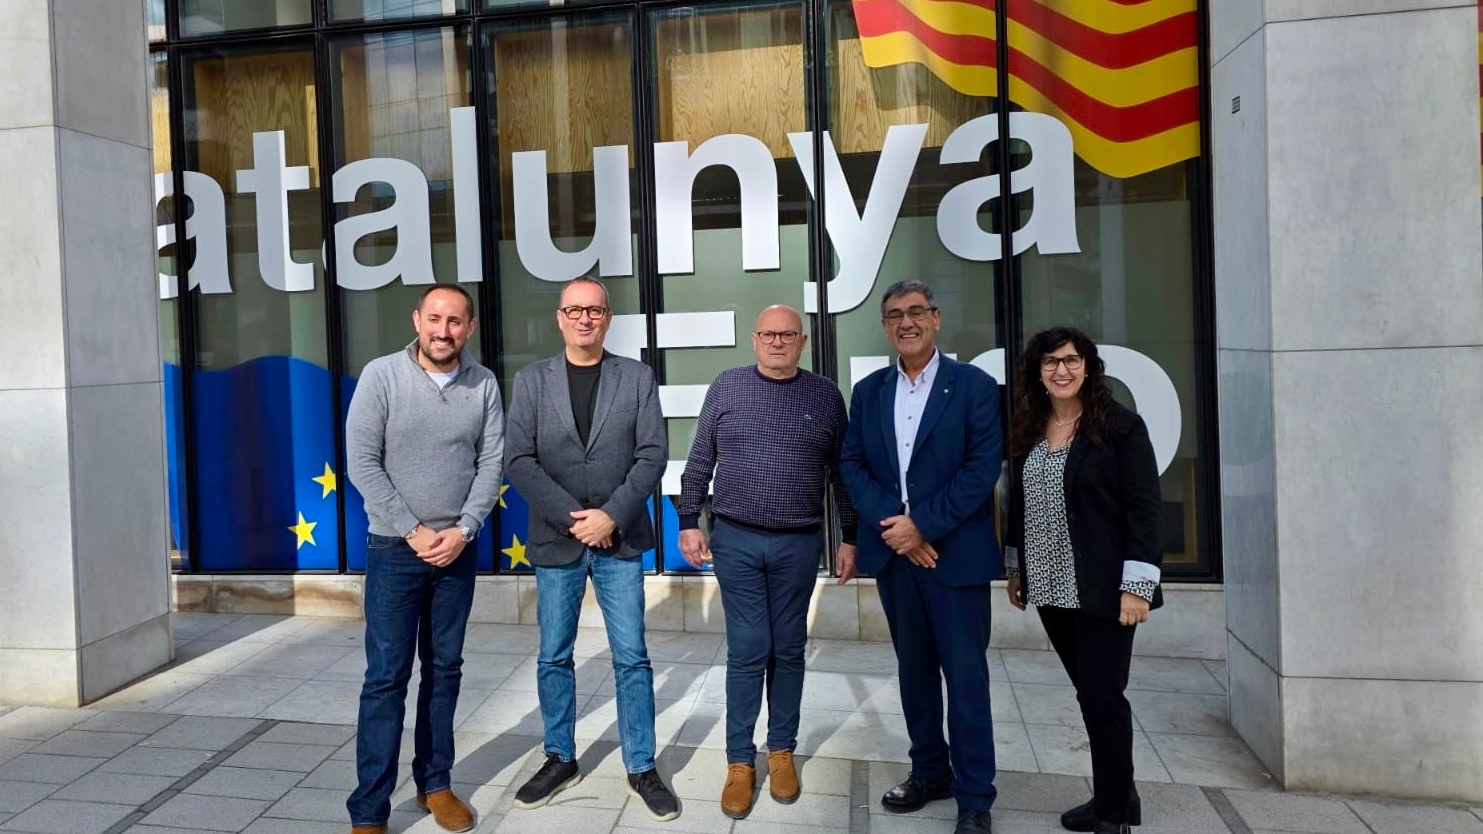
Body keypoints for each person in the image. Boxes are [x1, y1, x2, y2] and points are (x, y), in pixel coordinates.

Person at [502, 276, 680, 821]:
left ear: (608, 318)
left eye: (595, 310)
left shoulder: (637, 377)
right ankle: (560, 756)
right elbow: (518, 460)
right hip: (557, 538)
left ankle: (641, 765)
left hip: (619, 538)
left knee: (632, 656)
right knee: (554, 654)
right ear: (560, 318)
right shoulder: (531, 381)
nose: (585, 318)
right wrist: (576, 520)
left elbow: (652, 454)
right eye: (575, 310)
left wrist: (610, 515)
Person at [676, 304, 859, 820]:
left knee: (790, 647)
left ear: (803, 342)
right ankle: (739, 760)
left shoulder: (825, 395)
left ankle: (781, 751)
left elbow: (842, 473)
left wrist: (851, 536)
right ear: (755, 340)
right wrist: (689, 519)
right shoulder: (727, 386)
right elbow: (700, 459)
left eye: (787, 335)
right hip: (736, 538)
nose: (778, 342)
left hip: (798, 542)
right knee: (749, 647)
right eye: (769, 334)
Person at [840, 280, 1003, 834]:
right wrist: (896, 528)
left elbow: (982, 469)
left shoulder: (975, 386)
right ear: (885, 326)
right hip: (896, 555)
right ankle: (930, 771)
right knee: (914, 673)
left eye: (915, 312)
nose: (905, 322)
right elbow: (852, 464)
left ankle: (975, 796)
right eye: (894, 315)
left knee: (966, 678)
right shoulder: (869, 391)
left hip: (953, 557)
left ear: (936, 318)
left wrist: (923, 526)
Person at [344, 284, 504, 834]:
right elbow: (362, 463)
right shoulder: (381, 376)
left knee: (444, 670)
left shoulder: (483, 384)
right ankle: (369, 809)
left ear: (470, 327)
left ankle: (434, 783)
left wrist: (464, 530)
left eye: (455, 321)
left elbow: (491, 464)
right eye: (434, 319)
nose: (443, 331)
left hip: (456, 551)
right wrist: (412, 531)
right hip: (394, 550)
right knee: (386, 678)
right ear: (417, 320)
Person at [1003, 327, 1161, 834]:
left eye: (1071, 360)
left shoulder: (1120, 427)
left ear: (1088, 366)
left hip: (1103, 588)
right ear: (1038, 372)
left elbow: (1145, 509)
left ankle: (1112, 815)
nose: (1061, 370)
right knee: (1090, 693)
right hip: (1050, 585)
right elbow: (1017, 504)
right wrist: (1016, 567)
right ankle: (1120, 794)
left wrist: (1137, 586)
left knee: (1103, 697)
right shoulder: (1030, 426)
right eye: (1050, 362)